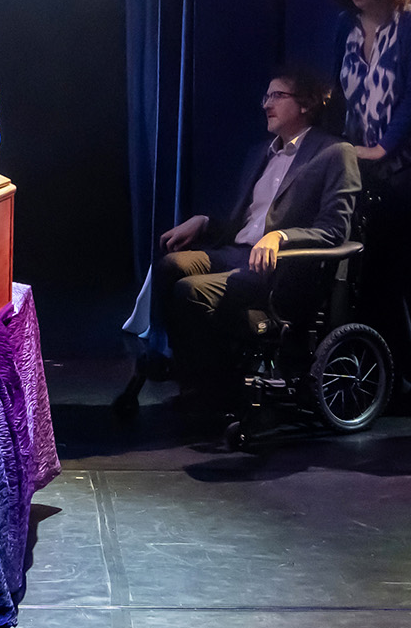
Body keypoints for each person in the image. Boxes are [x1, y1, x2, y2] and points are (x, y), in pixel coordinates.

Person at [152, 65, 361, 390]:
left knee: (190, 291)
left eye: (277, 95)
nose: (266, 104)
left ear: (305, 104)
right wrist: (204, 221)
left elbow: (334, 230)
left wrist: (281, 236)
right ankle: (191, 371)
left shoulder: (334, 153)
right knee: (169, 265)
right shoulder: (260, 154)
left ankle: (215, 386)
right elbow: (248, 222)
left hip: (280, 269)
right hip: (237, 253)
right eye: (266, 96)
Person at [320, 0, 411, 392]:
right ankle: (366, 380)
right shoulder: (345, 27)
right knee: (362, 281)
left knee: (403, 285)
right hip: (360, 174)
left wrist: (382, 149)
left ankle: (405, 383)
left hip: (407, 175)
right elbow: (338, 95)